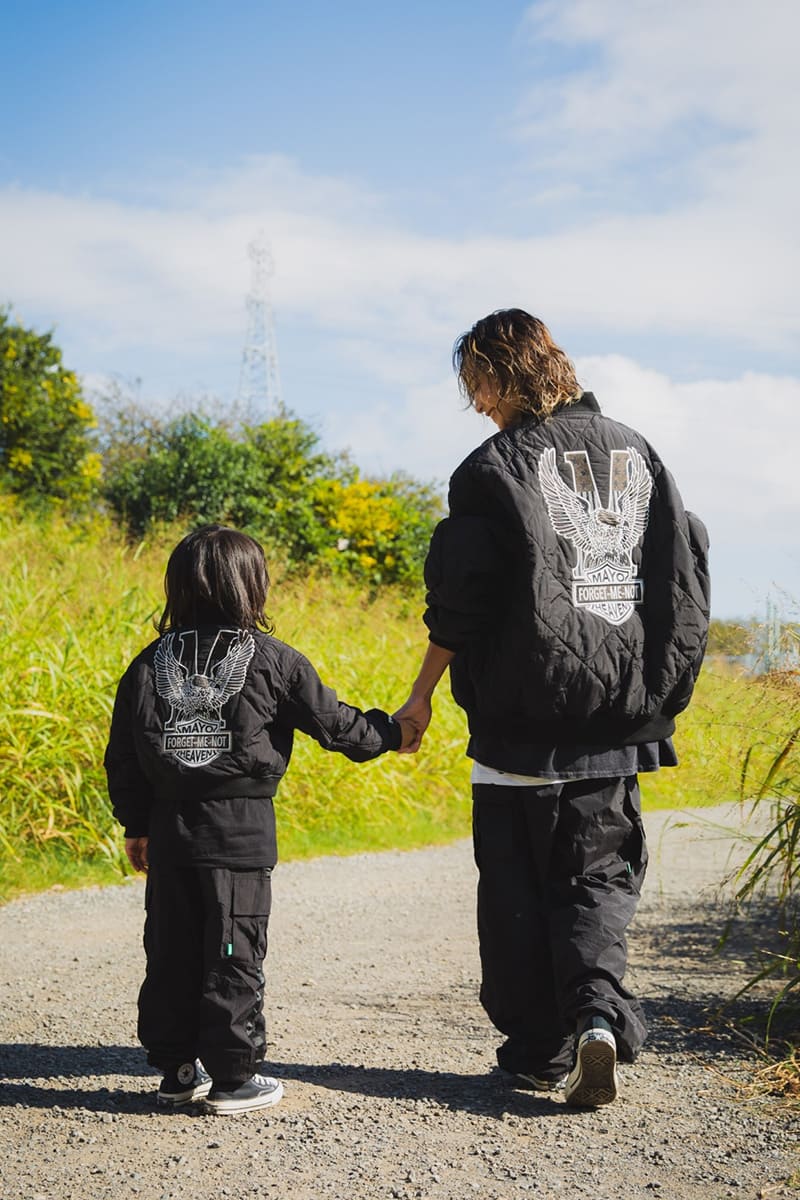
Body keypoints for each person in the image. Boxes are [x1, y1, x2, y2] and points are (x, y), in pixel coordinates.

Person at [395, 309, 709, 1107]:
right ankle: (598, 1018)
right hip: (615, 726)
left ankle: (535, 1049)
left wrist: (422, 694)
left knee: (514, 894)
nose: (477, 405)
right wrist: (662, 688)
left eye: (479, 386)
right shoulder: (642, 452)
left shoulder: (491, 468)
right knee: (597, 880)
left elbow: (462, 601)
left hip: (517, 727)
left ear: (505, 373)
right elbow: (687, 568)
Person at [105, 524, 415, 1115]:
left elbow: (123, 755)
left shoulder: (147, 663)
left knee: (170, 951)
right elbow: (339, 728)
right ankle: (232, 1077)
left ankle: (175, 1070)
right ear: (252, 585)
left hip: (170, 833)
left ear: (177, 587)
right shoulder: (275, 661)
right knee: (231, 949)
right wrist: (395, 732)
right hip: (240, 836)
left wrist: (136, 825)